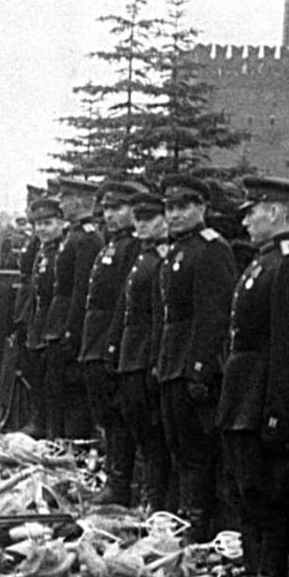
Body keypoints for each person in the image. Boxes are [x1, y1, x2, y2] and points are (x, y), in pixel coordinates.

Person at [215, 176, 289, 577]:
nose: (246, 218)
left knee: (271, 502)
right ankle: (253, 575)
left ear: (275, 213)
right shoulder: (265, 263)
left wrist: (278, 414)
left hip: (267, 403)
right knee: (249, 493)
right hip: (246, 397)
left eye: (252, 211)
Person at [156, 175, 237, 543]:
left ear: (201, 208)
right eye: (169, 207)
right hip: (173, 358)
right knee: (177, 445)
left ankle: (197, 528)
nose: (173, 214)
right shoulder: (179, 248)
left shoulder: (211, 249)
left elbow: (214, 315)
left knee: (197, 452)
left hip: (193, 363)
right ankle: (181, 519)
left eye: (182, 207)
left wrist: (200, 368)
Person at [82, 181, 145, 505]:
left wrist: (112, 343)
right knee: (105, 411)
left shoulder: (133, 246)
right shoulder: (112, 244)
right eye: (106, 208)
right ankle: (112, 475)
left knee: (118, 413)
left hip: (113, 335)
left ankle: (120, 483)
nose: (110, 215)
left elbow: (125, 300)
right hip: (96, 334)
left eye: (117, 208)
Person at [114, 192, 173, 511]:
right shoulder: (144, 254)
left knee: (153, 436)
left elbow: (160, 316)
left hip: (146, 353)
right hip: (131, 352)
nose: (141, 225)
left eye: (149, 219)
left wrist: (154, 361)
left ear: (164, 220)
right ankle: (148, 495)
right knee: (138, 425)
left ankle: (155, 501)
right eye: (138, 219)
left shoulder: (163, 257)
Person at [43, 178, 103, 439]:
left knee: (73, 396)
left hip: (69, 324)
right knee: (58, 392)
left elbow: (81, 291)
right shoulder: (74, 236)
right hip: (59, 321)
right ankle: (58, 442)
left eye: (65, 200)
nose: (62, 205)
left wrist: (71, 331)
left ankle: (71, 448)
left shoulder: (88, 239)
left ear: (78, 201)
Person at [19, 198, 64, 438]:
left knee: (51, 380)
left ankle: (48, 427)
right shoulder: (43, 250)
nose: (42, 229)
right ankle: (39, 420)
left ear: (61, 223)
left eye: (48, 223)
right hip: (38, 319)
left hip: (53, 321)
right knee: (35, 372)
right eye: (38, 224)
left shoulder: (62, 250)